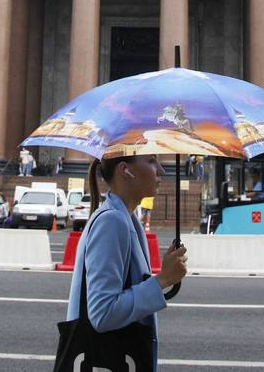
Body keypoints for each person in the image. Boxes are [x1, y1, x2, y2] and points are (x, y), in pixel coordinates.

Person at [65, 154, 187, 371]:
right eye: (151, 161)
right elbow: (102, 313)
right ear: (125, 170)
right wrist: (162, 280)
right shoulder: (112, 221)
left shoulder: (125, 218)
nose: (161, 170)